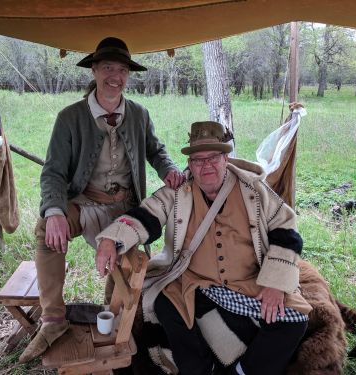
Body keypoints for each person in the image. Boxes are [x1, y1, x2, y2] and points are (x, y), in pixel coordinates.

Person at [95, 121, 312, 375]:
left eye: (213, 158)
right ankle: (199, 368)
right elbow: (145, 216)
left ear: (226, 158)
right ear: (189, 164)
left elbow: (287, 228)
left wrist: (275, 282)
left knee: (295, 321)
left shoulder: (254, 190)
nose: (206, 165)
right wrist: (111, 239)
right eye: (198, 160)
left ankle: (242, 371)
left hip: (248, 282)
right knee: (164, 301)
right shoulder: (178, 192)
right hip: (192, 281)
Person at [19, 37, 184, 363]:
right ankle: (53, 319)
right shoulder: (70, 117)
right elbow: (53, 172)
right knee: (45, 230)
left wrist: (169, 169)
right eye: (108, 67)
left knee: (126, 264)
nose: (115, 76)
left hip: (124, 206)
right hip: (83, 202)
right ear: (94, 70)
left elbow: (156, 150)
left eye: (122, 69)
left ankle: (116, 325)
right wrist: (54, 211)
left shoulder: (139, 114)